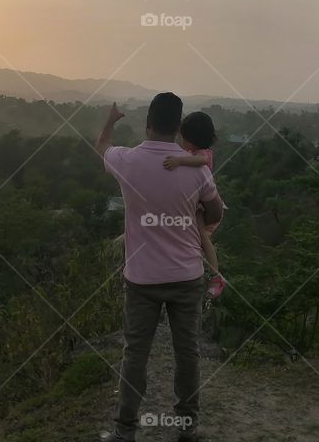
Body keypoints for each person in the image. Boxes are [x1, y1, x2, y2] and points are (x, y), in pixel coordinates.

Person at [97, 94, 225, 442]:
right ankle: (187, 428)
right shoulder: (196, 167)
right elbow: (215, 212)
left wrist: (111, 120)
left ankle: (125, 431)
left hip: (141, 278)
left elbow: (102, 146)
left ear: (148, 123)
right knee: (188, 354)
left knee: (135, 354)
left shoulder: (127, 160)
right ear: (178, 126)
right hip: (186, 276)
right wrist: (197, 220)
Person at [162, 111, 227, 300]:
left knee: (202, 240)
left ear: (191, 138)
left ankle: (217, 277)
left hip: (203, 207)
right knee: (197, 241)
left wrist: (179, 161)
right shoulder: (194, 153)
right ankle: (209, 274)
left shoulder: (202, 154)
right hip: (198, 204)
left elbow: (202, 161)